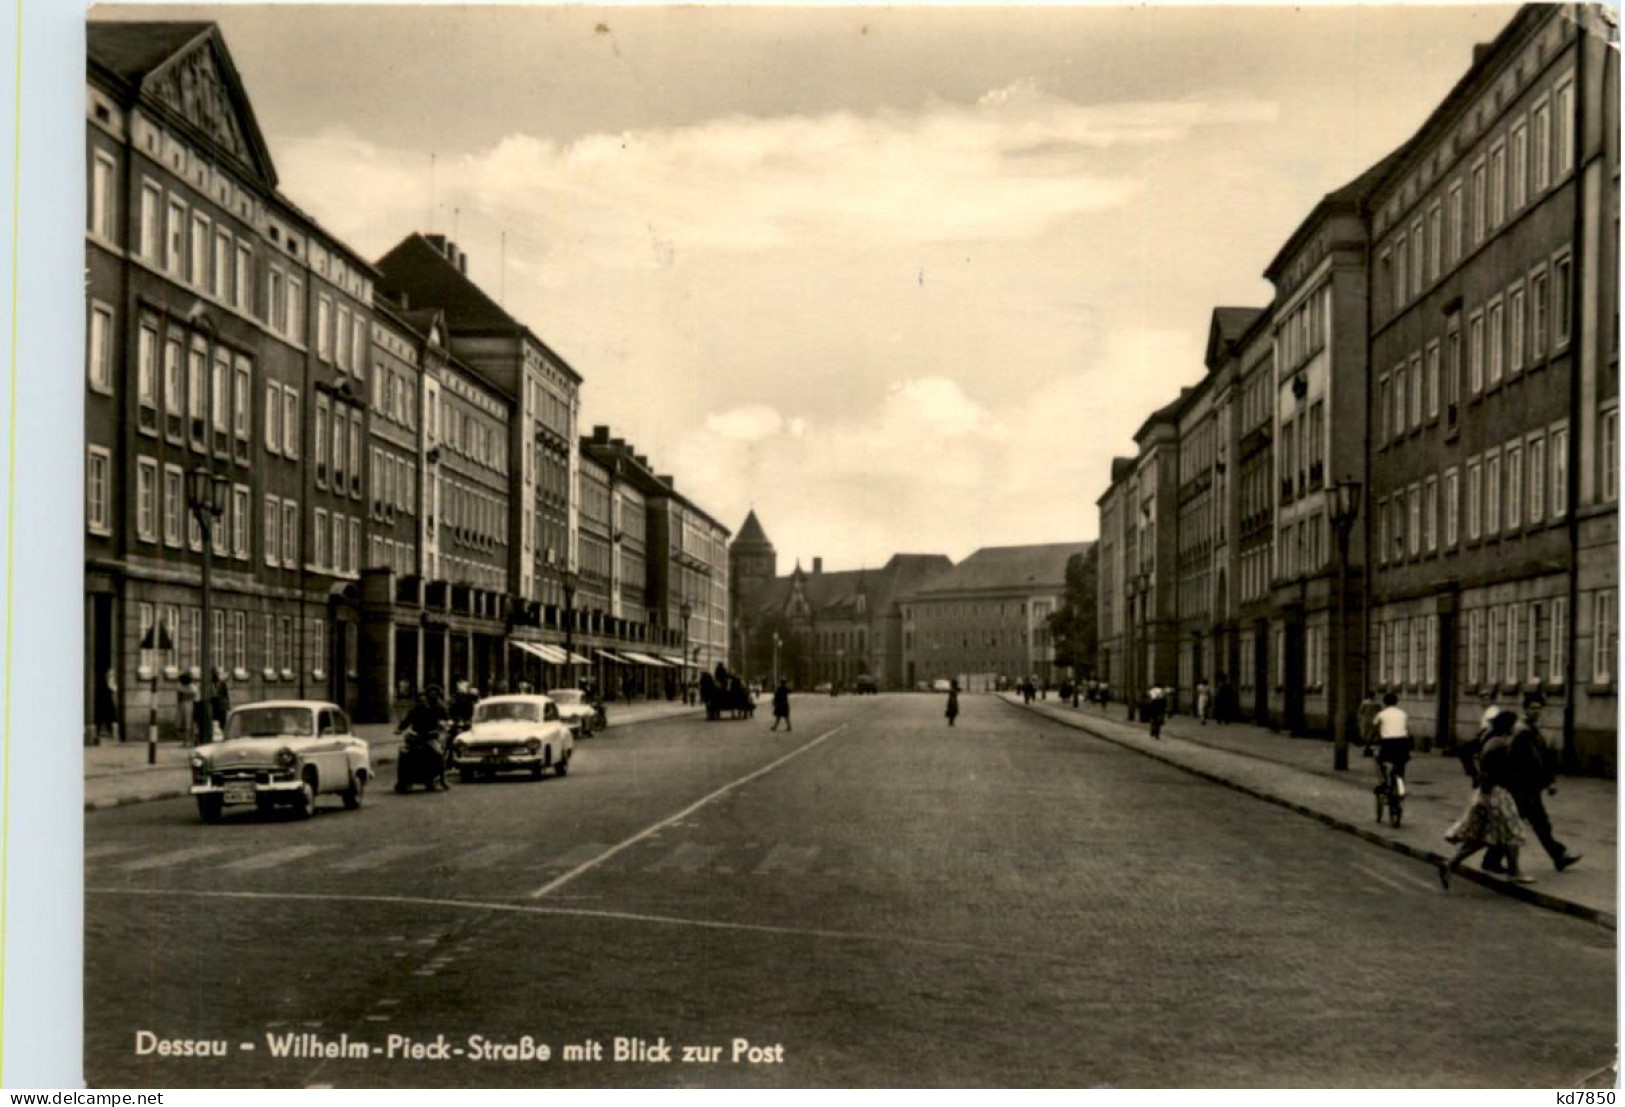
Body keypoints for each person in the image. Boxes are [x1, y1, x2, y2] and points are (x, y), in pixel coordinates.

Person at [1484, 693, 1581, 874]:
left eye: (1539, 708)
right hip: (1524, 787)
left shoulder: (1530, 729)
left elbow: (1541, 758)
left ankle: (1492, 859)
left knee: (1522, 824)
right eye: (1533, 708)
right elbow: (1532, 761)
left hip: (1525, 787)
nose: (1536, 712)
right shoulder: (1523, 731)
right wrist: (1548, 782)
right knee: (1536, 824)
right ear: (1526, 709)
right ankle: (1558, 856)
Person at [1440, 708, 1530, 887]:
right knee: (1513, 831)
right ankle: (1514, 872)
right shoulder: (1501, 745)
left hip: (1486, 792)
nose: (1518, 726)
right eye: (1516, 723)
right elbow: (1502, 771)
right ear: (1509, 726)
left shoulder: (1491, 740)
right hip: (1497, 794)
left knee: (1480, 837)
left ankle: (1450, 864)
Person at [1370, 692, 1412, 799]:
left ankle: (1385, 783)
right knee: (1401, 763)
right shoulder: (1403, 714)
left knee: (1380, 761)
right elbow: (1408, 730)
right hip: (1402, 742)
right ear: (1397, 702)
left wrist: (1369, 742)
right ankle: (1401, 785)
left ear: (1384, 702)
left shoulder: (1381, 714)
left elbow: (1374, 730)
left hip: (1388, 743)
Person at [175, 671, 198, 745]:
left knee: (183, 723)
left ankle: (186, 741)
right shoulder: (193, 687)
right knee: (190, 723)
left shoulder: (180, 687)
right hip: (191, 705)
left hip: (183, 705)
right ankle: (190, 740)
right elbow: (195, 697)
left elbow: (178, 698)